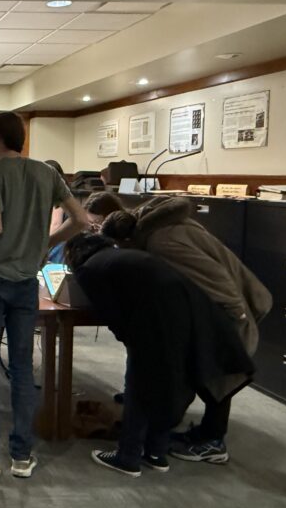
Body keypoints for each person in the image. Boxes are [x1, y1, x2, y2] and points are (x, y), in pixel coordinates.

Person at [0, 112, 89, 480]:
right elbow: (81, 220)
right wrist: (44, 244)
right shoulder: (47, 173)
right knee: (21, 367)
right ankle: (22, 455)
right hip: (27, 282)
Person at [65, 232, 254, 477]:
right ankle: (156, 453)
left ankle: (127, 457)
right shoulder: (123, 257)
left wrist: (130, 341)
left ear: (75, 254)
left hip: (155, 325)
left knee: (138, 387)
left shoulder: (89, 270)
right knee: (171, 383)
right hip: (194, 319)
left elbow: (112, 314)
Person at [100, 197, 271, 463]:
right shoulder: (158, 224)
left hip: (229, 309)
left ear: (126, 241)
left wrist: (233, 321)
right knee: (213, 373)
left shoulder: (161, 241)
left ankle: (213, 442)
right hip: (219, 306)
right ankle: (206, 434)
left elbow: (217, 280)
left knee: (219, 375)